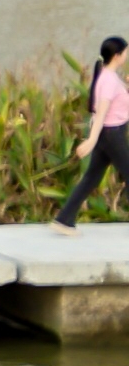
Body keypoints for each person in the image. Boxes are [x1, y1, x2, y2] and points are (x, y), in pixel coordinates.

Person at [53, 35, 129, 233]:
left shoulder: (107, 76)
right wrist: (91, 139)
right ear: (117, 56)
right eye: (126, 52)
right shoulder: (109, 80)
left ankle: (64, 219)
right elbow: (101, 112)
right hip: (112, 134)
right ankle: (64, 219)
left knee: (92, 177)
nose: (127, 56)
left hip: (108, 134)